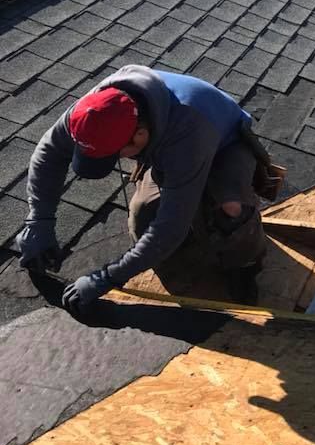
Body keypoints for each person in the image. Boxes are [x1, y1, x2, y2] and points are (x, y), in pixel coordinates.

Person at [15, 64, 268, 311]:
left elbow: (170, 228)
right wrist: (39, 220)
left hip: (227, 144)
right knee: (142, 213)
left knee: (231, 209)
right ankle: (169, 251)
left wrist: (108, 277)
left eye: (116, 154)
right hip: (167, 149)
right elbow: (48, 152)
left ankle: (245, 265)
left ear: (140, 135)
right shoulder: (97, 108)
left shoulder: (189, 131)